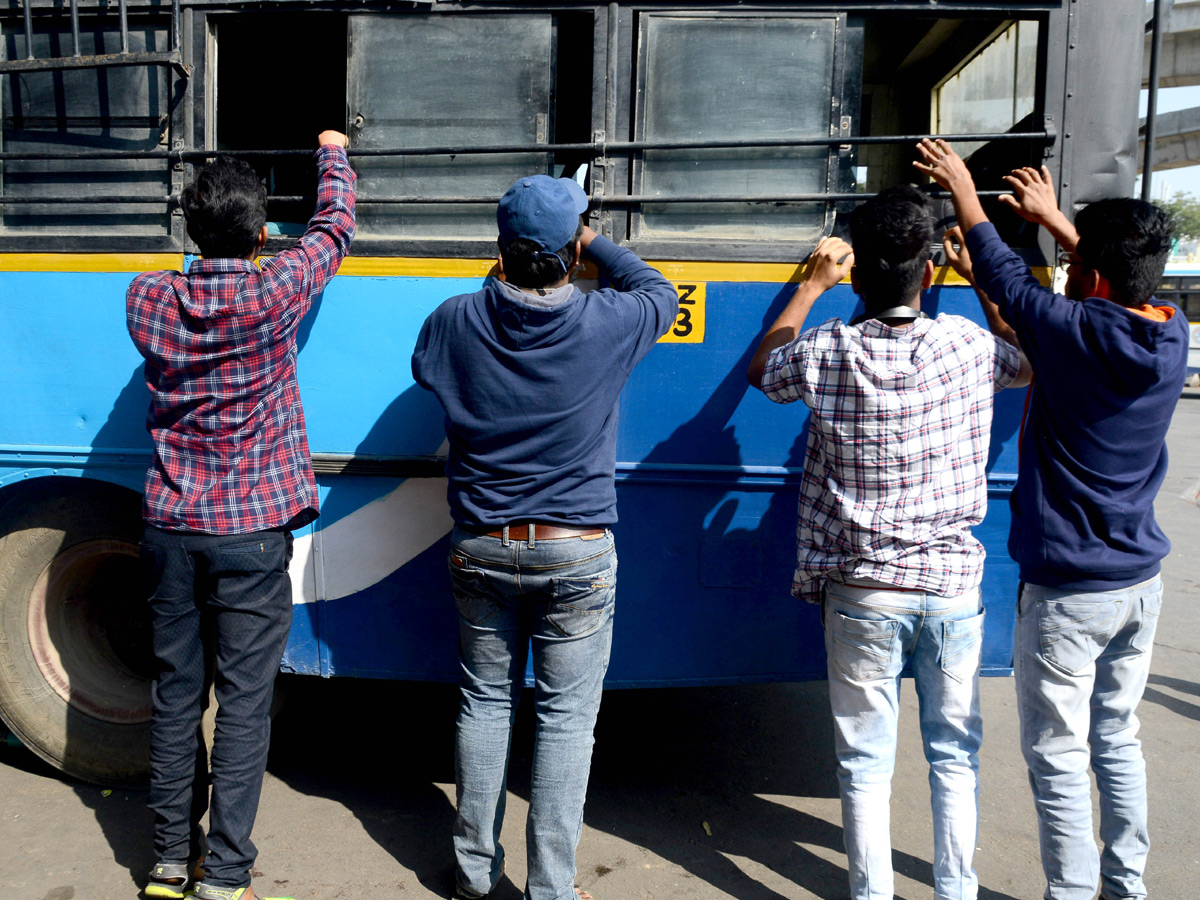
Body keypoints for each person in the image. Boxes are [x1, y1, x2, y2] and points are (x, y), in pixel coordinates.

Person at [917, 139, 1187, 900]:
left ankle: (1070, 893)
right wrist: (1064, 228)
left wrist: (966, 189)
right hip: (1141, 584)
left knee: (1059, 753)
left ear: (1089, 278)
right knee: (1117, 739)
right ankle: (1123, 887)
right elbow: (1107, 282)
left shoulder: (1074, 331)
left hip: (1070, 592)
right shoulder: (1171, 333)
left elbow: (1003, 269)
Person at [747, 185, 1030, 900]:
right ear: (927, 273)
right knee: (955, 755)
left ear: (858, 280)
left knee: (865, 760)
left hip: (862, 589)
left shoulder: (828, 350)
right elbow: (1026, 360)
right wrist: (979, 284)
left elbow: (763, 370)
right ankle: (955, 890)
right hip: (952, 588)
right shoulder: (968, 345)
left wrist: (811, 288)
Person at [411, 174, 678, 900]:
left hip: (482, 546)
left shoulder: (453, 319)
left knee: (484, 703)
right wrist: (595, 243)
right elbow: (661, 290)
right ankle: (552, 890)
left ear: (499, 249)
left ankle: (472, 874)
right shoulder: (610, 320)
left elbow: (426, 369)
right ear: (570, 251)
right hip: (577, 552)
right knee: (565, 723)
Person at [128, 131, 355, 900]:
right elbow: (333, 230)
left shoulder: (149, 298)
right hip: (252, 535)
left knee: (174, 696)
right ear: (261, 236)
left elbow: (175, 284)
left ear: (192, 231)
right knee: (245, 705)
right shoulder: (275, 290)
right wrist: (330, 150)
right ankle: (224, 877)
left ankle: (166, 862)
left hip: (168, 528)